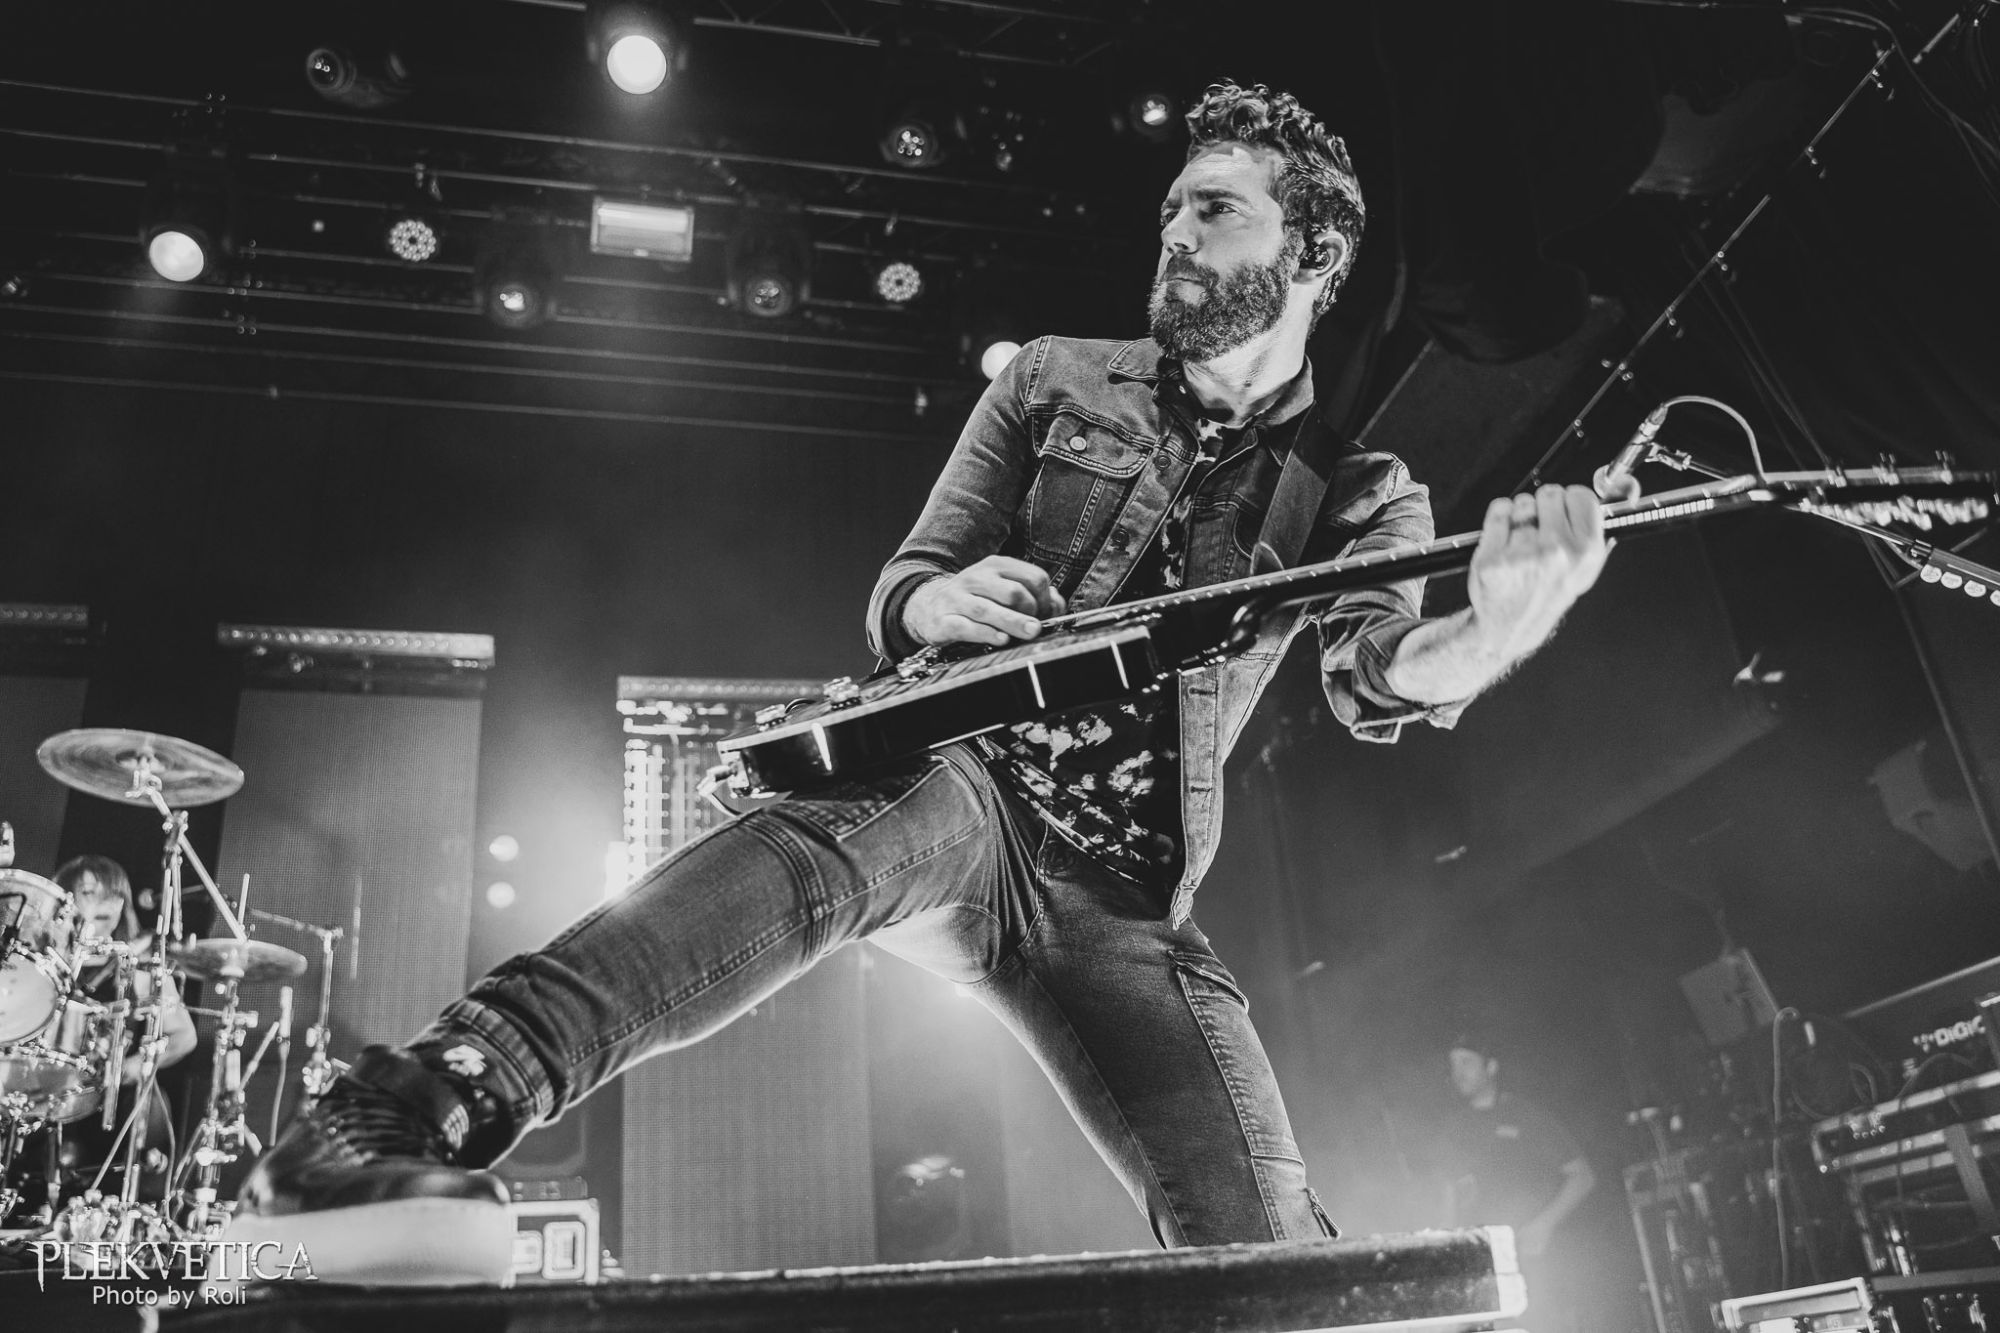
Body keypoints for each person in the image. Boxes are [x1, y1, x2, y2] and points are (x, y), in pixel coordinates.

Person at [223, 80, 1636, 1284]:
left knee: (1262, 1241)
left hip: (1124, 900)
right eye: (1170, 208)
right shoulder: (1054, 379)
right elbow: (909, 580)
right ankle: (402, 1111)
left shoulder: (1362, 490)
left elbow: (1378, 678)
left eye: (1215, 209)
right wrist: (937, 601)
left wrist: (1503, 622)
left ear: (1312, 251)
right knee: (826, 850)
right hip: (968, 783)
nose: (1175, 231)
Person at [1440, 1035, 1598, 1324]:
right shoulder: (1454, 1128)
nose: (1458, 1072)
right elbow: (1452, 1193)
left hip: (1533, 1264)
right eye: (1453, 1064)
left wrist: (1544, 1224)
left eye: (1466, 1062)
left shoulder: (1524, 1115)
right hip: (1481, 1269)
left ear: (1491, 1067)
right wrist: (1450, 1251)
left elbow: (1582, 1176)